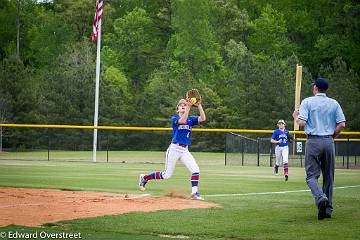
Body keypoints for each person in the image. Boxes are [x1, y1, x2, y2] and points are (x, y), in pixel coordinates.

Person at [292, 77, 346, 220]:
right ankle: (326, 211)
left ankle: (321, 198)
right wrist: (332, 136)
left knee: (311, 176)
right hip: (329, 141)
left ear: (315, 88)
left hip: (313, 141)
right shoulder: (334, 103)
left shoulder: (308, 101)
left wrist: (295, 117)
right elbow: (342, 124)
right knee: (328, 177)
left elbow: (302, 122)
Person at [139, 98, 206, 200]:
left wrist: (199, 105)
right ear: (177, 109)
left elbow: (203, 118)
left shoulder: (191, 119)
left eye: (185, 104)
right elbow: (182, 120)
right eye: (181, 105)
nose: (183, 106)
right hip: (174, 149)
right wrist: (189, 107)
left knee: (195, 169)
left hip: (184, 150)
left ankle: (194, 193)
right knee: (167, 175)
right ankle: (145, 177)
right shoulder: (174, 118)